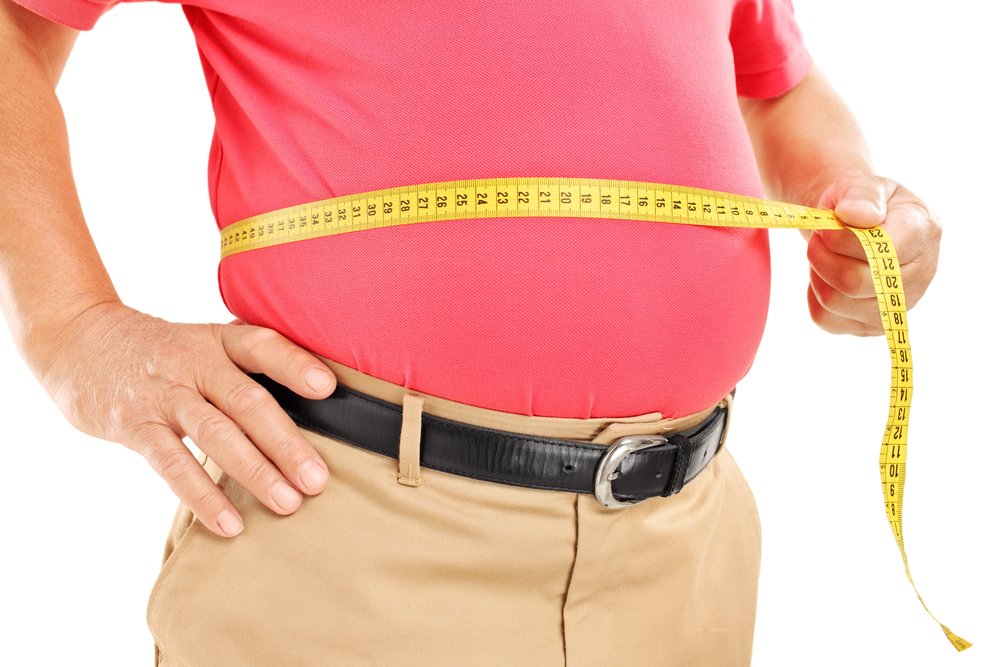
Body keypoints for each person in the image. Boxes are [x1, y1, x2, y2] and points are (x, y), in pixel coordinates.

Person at [0, 0, 942, 665]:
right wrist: (70, 327)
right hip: (354, 535)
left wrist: (853, 196)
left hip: (686, 551)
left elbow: (777, 86)